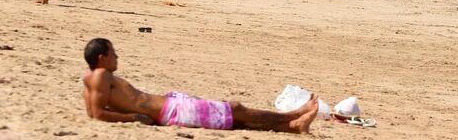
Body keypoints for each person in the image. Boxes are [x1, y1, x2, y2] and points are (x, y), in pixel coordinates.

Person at [82, 38, 318, 133]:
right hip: (171, 111)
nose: (117, 57)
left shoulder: (92, 81)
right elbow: (97, 113)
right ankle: (292, 115)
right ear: (101, 58)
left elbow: (96, 109)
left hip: (171, 105)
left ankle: (292, 126)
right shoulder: (101, 75)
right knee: (234, 109)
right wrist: (133, 117)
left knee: (233, 119)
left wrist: (132, 114)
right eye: (113, 53)